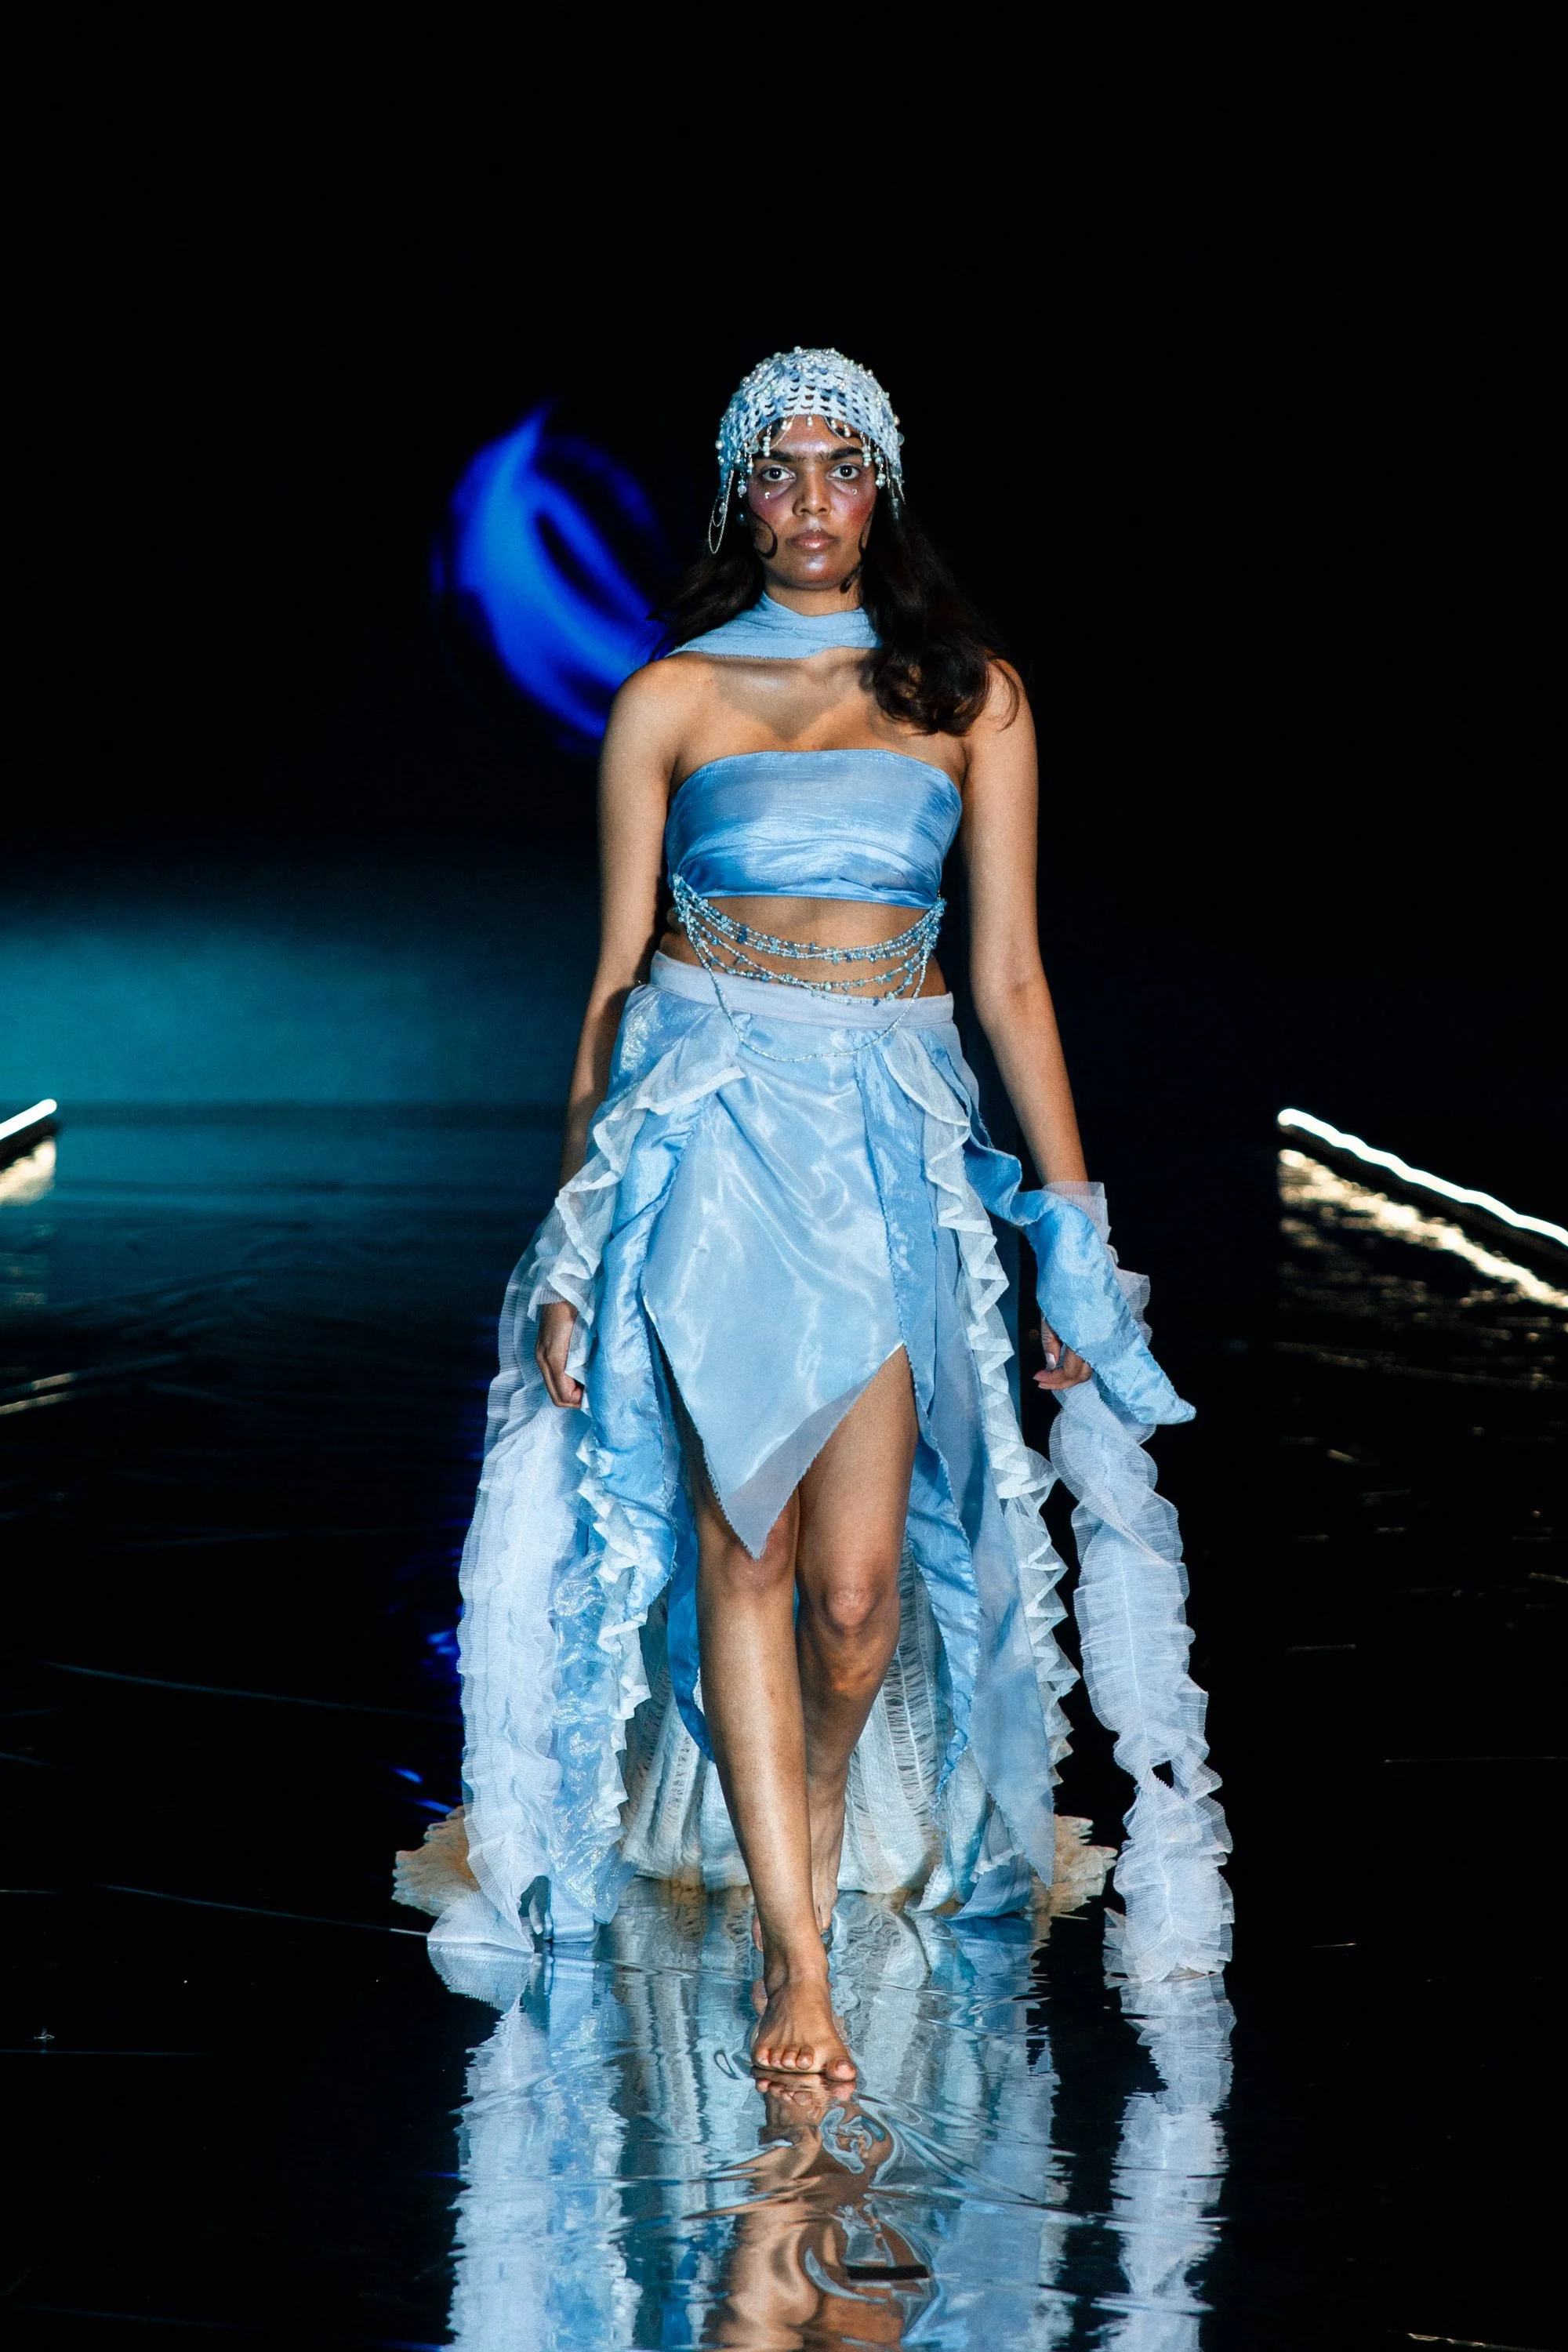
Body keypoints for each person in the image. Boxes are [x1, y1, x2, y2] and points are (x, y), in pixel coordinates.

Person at [400, 349, 1229, 2078]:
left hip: (887, 1139)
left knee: (857, 1600)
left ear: (884, 492)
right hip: (707, 1135)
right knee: (743, 1545)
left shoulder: (969, 693)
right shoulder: (670, 700)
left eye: (839, 469)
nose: (807, 502)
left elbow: (1006, 974)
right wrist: (570, 1237)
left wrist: (1069, 1233)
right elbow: (616, 985)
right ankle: (797, 1957)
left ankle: (823, 1807)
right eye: (773, 473)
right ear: (734, 498)